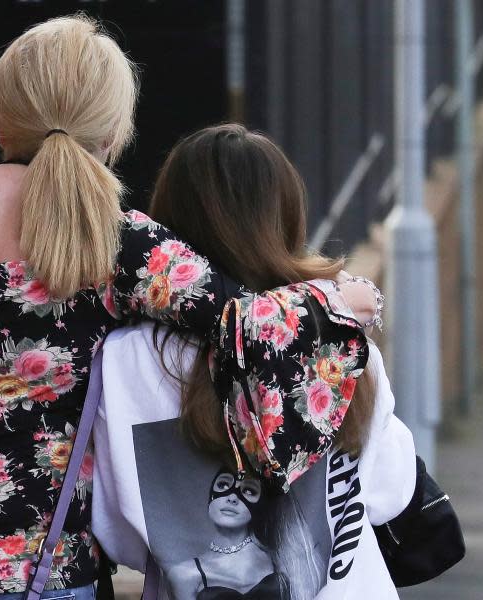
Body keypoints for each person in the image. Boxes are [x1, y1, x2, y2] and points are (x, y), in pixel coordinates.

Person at [0, 19, 380, 600]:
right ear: (111, 135)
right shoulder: (113, 241)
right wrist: (340, 300)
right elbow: (250, 330)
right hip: (44, 575)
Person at [92, 124, 418, 600]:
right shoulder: (338, 333)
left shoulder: (124, 360)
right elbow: (390, 491)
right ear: (286, 218)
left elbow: (114, 529)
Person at [166, 470, 287, 600]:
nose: (232, 498)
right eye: (223, 485)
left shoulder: (280, 558)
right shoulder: (184, 574)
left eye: (248, 491)